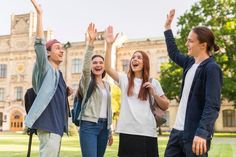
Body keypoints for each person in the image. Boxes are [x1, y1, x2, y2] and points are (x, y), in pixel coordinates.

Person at [164, 9, 223, 157]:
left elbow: (212, 104)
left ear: (203, 45)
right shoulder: (190, 63)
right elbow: (173, 53)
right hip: (177, 132)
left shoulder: (212, 68)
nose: (187, 43)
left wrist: (202, 132)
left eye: (190, 40)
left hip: (195, 135)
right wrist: (167, 28)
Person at [104, 26, 169, 157]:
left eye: (139, 57)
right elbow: (107, 68)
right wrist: (110, 45)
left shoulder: (153, 82)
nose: (135, 59)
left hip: (147, 131)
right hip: (128, 131)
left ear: (144, 63)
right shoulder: (124, 80)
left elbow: (165, 105)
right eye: (133, 57)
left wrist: (153, 93)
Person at [24, 0, 72, 157]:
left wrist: (66, 92)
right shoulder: (45, 68)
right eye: (57, 48)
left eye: (62, 48)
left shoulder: (59, 75)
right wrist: (39, 15)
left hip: (57, 126)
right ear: (48, 53)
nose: (62, 51)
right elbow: (39, 44)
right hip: (48, 123)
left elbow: (54, 93)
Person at [78, 23, 113, 157]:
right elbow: (85, 69)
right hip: (89, 125)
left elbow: (107, 109)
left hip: (104, 127)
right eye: (95, 62)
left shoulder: (107, 85)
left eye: (101, 63)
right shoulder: (87, 82)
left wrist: (109, 130)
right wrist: (91, 42)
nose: (98, 65)